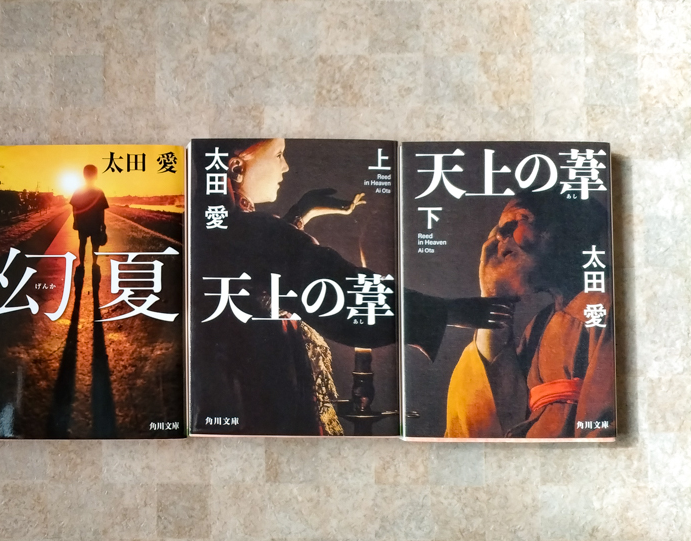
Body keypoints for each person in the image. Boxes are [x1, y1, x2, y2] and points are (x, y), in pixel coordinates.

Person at [193, 139, 508, 435]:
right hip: (255, 390)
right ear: (236, 168)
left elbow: (262, 261)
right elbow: (342, 292)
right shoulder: (255, 231)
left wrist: (302, 213)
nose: (285, 167)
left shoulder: (213, 224)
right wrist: (445, 311)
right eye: (278, 155)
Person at [445, 192, 614, 438]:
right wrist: (493, 297)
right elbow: (490, 422)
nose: (499, 236)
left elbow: (604, 433)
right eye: (499, 228)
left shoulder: (607, 307)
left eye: (521, 219)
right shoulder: (539, 326)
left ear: (568, 229)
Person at [68, 164, 109, 266]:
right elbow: (101, 210)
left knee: (82, 243)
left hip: (82, 222)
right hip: (95, 223)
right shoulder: (99, 192)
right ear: (96, 176)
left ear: (84, 175)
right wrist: (102, 223)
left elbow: (74, 208)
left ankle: (82, 263)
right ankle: (94, 263)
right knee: (95, 244)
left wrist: (75, 220)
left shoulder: (79, 191)